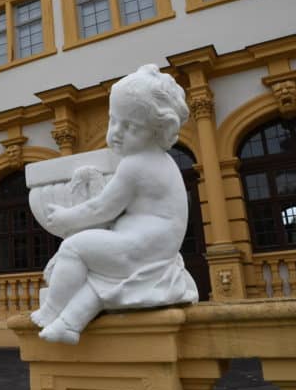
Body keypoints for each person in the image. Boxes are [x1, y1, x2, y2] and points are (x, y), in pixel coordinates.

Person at [30, 64, 198, 344]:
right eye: (113, 120)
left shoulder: (135, 164)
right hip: (154, 249)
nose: (116, 133)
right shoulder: (163, 161)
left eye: (130, 127)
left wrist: (65, 218)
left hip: (139, 249)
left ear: (160, 130)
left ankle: (52, 309)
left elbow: (100, 209)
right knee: (102, 281)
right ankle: (69, 324)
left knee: (74, 248)